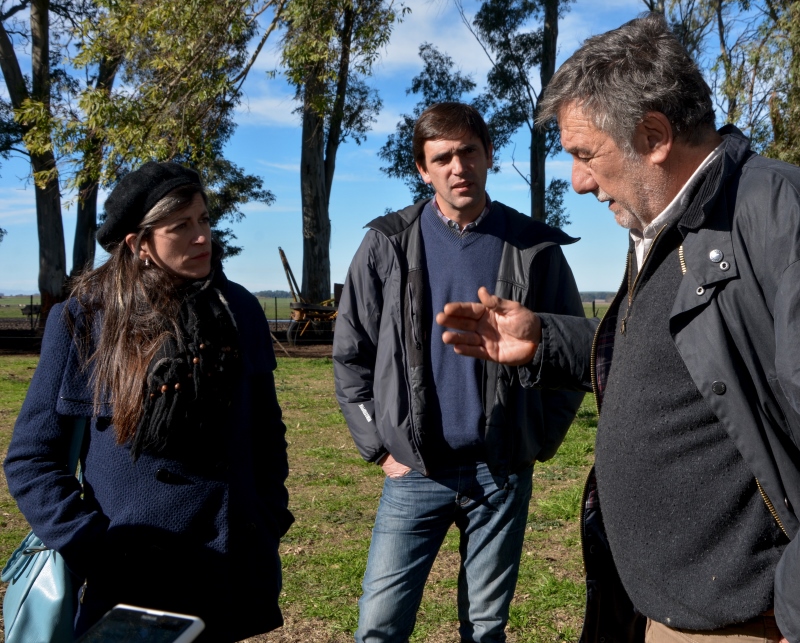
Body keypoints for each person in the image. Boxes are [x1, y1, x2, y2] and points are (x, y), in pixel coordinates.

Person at [436, 15, 800, 643]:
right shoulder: (670, 226)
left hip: (762, 626)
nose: (579, 181)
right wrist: (545, 341)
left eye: (586, 155)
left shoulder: (785, 217)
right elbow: (684, 364)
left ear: (654, 136)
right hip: (678, 615)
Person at [5, 162, 293, 642]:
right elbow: (31, 459)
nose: (202, 237)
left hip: (227, 560)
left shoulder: (237, 308)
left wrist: (267, 515)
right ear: (139, 244)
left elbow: (266, 429)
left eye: (203, 220)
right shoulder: (86, 317)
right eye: (181, 226)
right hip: (132, 574)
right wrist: (98, 549)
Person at [333, 102, 585, 643]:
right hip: (415, 470)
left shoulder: (534, 247)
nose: (457, 166)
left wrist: (537, 441)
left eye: (468, 151)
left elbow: (571, 355)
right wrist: (379, 446)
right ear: (422, 169)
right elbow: (352, 354)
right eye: (441, 157)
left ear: (489, 155)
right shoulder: (387, 244)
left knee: (487, 627)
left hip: (501, 471)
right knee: (379, 625)